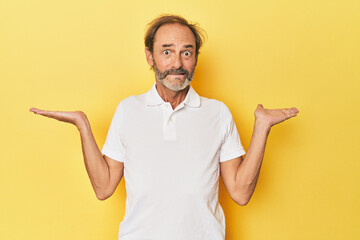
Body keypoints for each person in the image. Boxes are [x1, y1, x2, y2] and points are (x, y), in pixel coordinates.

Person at [30, 14, 299, 240]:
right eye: (167, 51)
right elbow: (103, 188)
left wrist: (262, 128)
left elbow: (240, 193)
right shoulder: (128, 110)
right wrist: (83, 125)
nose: (177, 64)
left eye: (187, 52)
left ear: (195, 58)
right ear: (150, 56)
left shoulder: (218, 113)